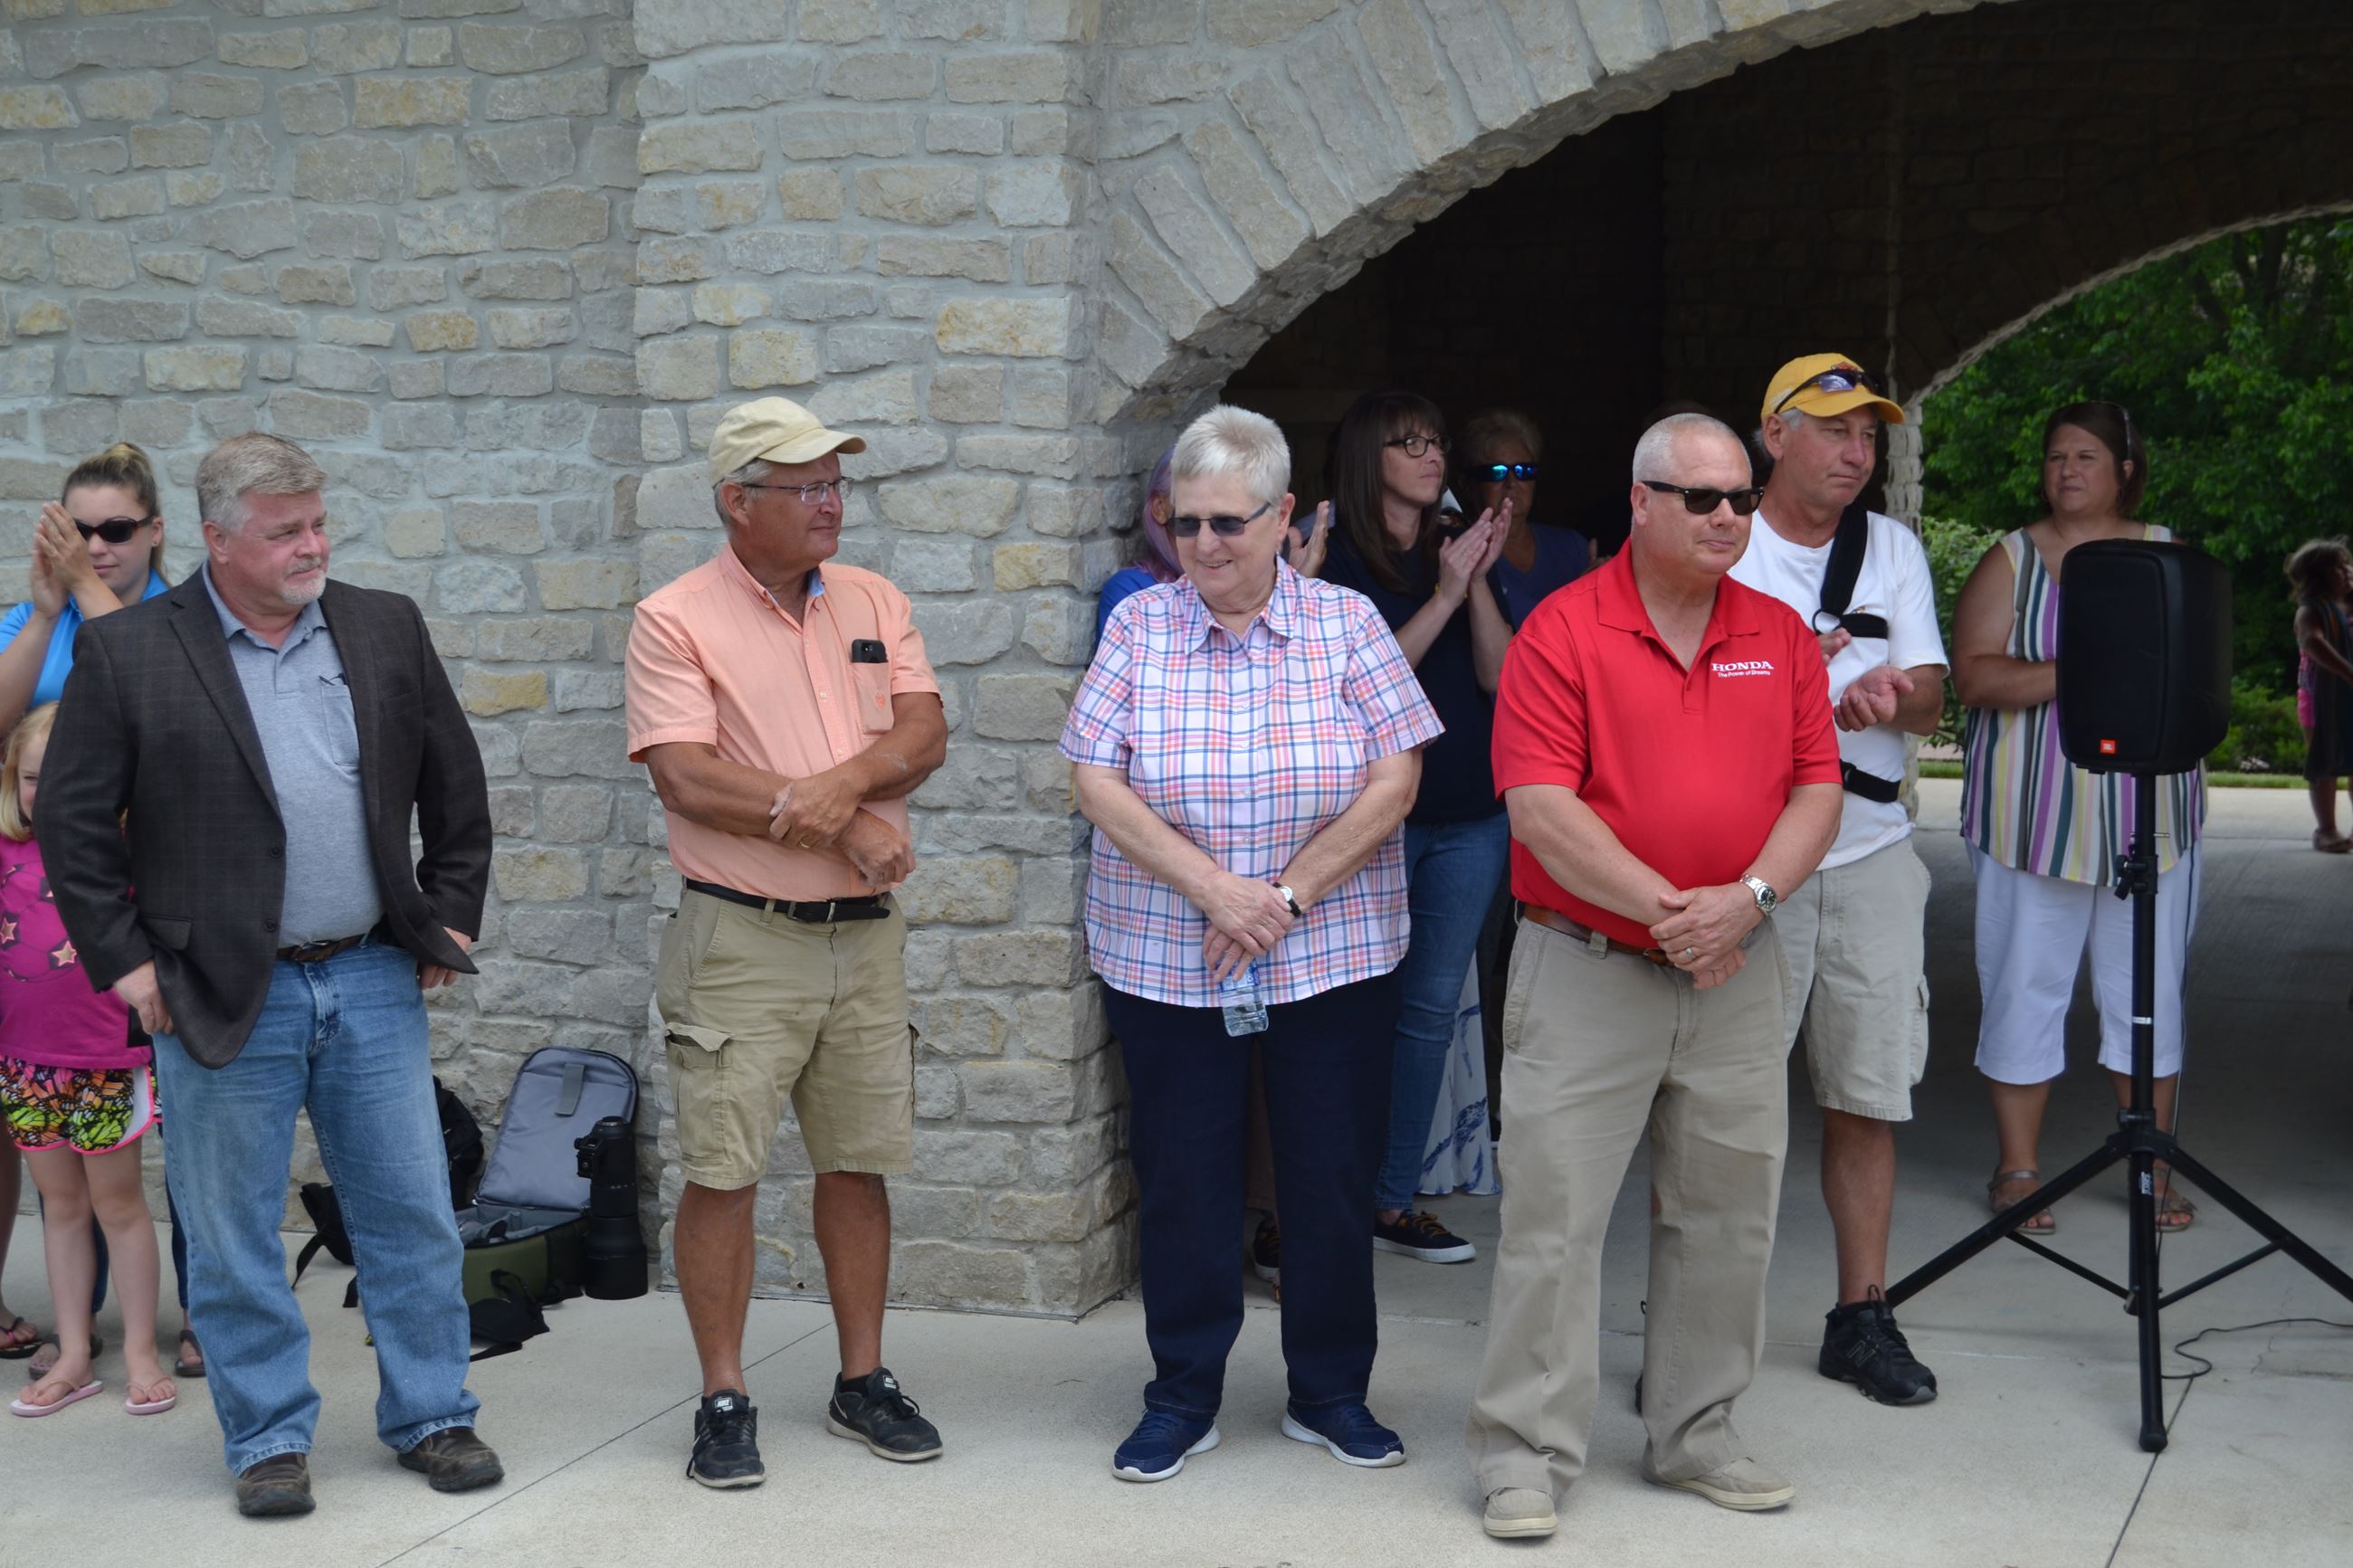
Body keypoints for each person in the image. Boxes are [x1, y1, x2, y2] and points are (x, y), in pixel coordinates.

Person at [38, 432, 498, 1517]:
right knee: (232, 1227)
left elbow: (456, 779)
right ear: (217, 538)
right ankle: (267, 1438)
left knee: (411, 1212)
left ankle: (434, 1413)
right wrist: (130, 968)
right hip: (210, 986)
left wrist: (450, 916)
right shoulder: (135, 651)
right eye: (284, 529)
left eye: (317, 521)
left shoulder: (382, 625)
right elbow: (71, 825)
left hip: (374, 974)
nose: (312, 545)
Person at [1468, 412, 1841, 1541]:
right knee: (1554, 1219)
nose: (1727, 516)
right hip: (1587, 965)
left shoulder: (1776, 635)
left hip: (1737, 964)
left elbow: (1815, 790)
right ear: (1640, 501)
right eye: (1701, 498)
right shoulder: (1562, 632)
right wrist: (1675, 912)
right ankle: (1523, 1453)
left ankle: (1697, 1432)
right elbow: (1539, 805)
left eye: (1737, 497)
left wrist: (1749, 902)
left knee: (1728, 1214)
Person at [1062, 404, 1439, 1483]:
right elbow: (1095, 776)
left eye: (1229, 522)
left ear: (1284, 517)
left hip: (1328, 951)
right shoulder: (1139, 623)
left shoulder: (1346, 623)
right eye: (1185, 524)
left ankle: (1329, 1392)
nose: (1206, 546)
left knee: (1325, 1174)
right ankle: (1180, 1392)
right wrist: (1214, 891)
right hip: (1168, 953)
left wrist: (1280, 895)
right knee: (1184, 1178)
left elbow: (1396, 777)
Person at [626, 396, 949, 1490]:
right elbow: (687, 776)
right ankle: (725, 1391)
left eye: (835, 483)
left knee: (856, 1163)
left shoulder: (874, 598)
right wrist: (846, 813)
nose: (828, 503)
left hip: (864, 939)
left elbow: (922, 733)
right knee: (723, 1171)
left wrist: (849, 787)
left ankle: (861, 1378)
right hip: (741, 938)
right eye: (803, 486)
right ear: (735, 502)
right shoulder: (673, 617)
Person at [1730, 355, 1948, 1406]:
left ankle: (1860, 1318)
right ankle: (1700, 1325)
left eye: (1867, 437)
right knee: (1723, 1108)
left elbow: (1932, 701)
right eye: (1833, 431)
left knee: (1865, 1095)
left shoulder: (1890, 549)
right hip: (1743, 865)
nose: (1855, 454)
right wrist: (1807, 692)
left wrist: (1891, 691)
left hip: (1865, 857)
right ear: (1773, 436)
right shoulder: (1722, 540)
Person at [1951, 402, 2205, 1235]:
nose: (2067, 470)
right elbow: (1977, 679)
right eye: (2057, 455)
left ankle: (2150, 1168)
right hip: (2032, 818)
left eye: (2087, 456)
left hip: (2150, 818)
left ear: (2126, 467)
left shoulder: (2170, 553)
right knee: (2025, 985)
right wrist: (2088, 669)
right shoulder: (2011, 559)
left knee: (2149, 995)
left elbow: (2200, 671)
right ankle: (2018, 1169)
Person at [0, 442, 190, 1379]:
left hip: (150, 894)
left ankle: (198, 1315)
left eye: (116, 530)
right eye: (78, 530)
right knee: (38, 1132)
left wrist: (87, 593)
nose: (96, 546)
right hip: (33, 908)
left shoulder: (182, 617)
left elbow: (157, 700)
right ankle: (64, 1319)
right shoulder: (42, 616)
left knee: (186, 1113)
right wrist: (43, 612)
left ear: (156, 531)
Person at [1314, 391, 1509, 1266]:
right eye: (1412, 444)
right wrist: (1445, 590)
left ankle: (1393, 1201)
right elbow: (1371, 674)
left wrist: (1470, 586)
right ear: (1370, 459)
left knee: (1430, 1011)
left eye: (1437, 440)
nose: (1434, 457)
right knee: (1348, 1009)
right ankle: (1318, 1200)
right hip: (1370, 818)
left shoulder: (1453, 547)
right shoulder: (1338, 562)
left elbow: (1502, 676)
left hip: (1471, 813)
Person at [1, 705, 175, 1420]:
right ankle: (74, 1351)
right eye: (36, 777)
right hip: (25, 1063)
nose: (51, 791)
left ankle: (139, 1348)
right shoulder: (5, 850)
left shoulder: (125, 848)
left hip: (106, 1058)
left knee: (119, 1206)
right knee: (60, 1207)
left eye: (69, 775)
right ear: (14, 781)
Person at [1462, 408, 1589, 627]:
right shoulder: (1461, 556)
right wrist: (1577, 598)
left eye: (1524, 470)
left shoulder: (1572, 547)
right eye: (1496, 472)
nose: (1511, 482)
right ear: (1469, 485)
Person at [2287, 538, 2353, 851]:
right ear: (2318, 577)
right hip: (2319, 700)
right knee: (2325, 762)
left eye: (2347, 564)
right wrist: (2347, 671)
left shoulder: (2347, 605)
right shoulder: (2310, 611)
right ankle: (2326, 829)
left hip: (2349, 698)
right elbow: (2312, 643)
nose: (2347, 571)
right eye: (2338, 567)